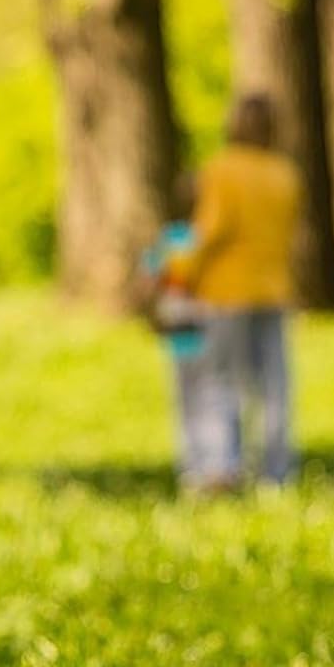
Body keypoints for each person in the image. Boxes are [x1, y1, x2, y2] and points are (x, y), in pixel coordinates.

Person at [185, 93, 302, 488]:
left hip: (226, 291)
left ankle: (224, 466)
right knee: (273, 388)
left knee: (222, 381)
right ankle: (277, 473)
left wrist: (184, 273)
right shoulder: (284, 172)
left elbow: (212, 230)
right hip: (273, 288)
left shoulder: (222, 170)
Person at [141, 172, 228, 492]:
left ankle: (192, 469)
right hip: (210, 325)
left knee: (186, 400)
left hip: (177, 328)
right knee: (216, 395)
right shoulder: (208, 240)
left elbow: (149, 280)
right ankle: (220, 466)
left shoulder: (167, 240)